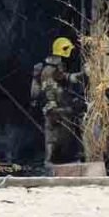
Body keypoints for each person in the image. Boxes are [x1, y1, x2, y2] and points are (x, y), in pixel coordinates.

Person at [30, 36, 80, 167]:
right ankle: (50, 161)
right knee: (52, 136)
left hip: (57, 106)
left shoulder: (55, 66)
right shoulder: (49, 69)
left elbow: (65, 79)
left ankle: (58, 160)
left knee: (62, 134)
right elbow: (51, 88)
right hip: (52, 106)